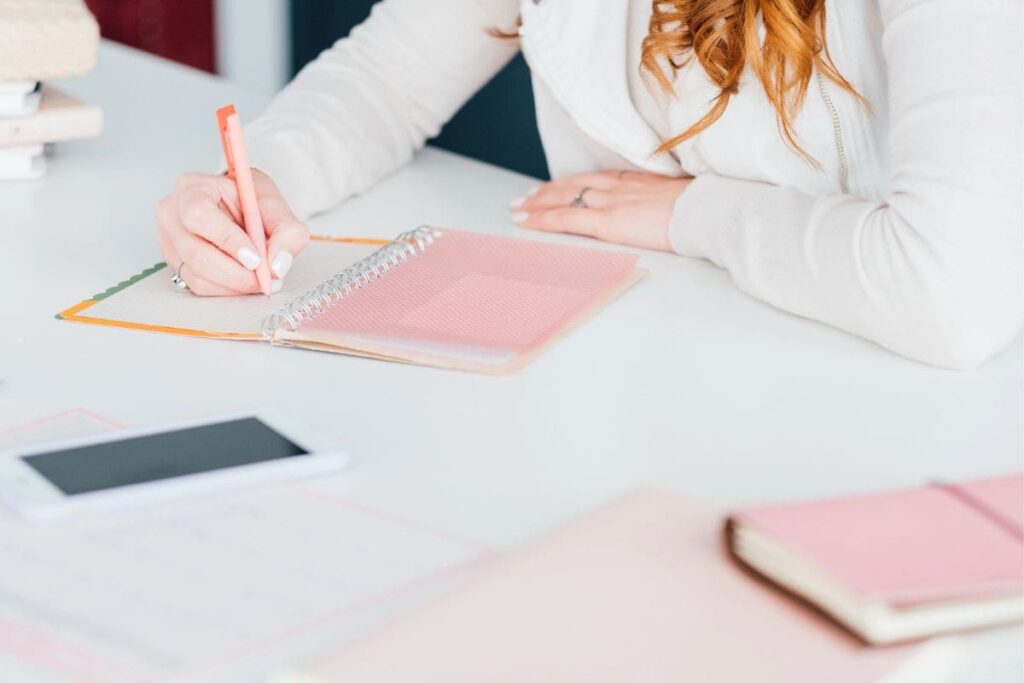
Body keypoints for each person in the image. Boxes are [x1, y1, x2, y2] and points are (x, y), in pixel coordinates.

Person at [155, 0, 1023, 370]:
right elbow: (384, 83)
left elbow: (958, 293)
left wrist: (696, 214)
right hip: (627, 375)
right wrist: (258, 182)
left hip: (891, 404)